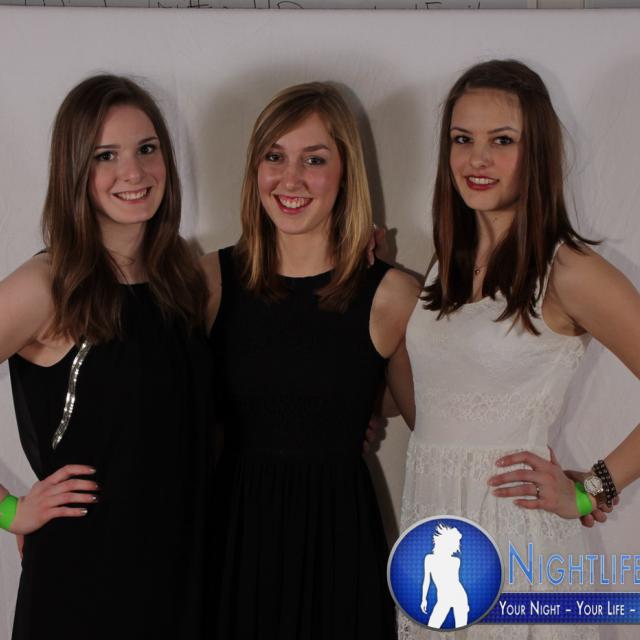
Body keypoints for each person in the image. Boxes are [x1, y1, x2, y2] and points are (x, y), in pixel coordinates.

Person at [394, 59, 640, 639]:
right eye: (463, 139)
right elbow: (435, 398)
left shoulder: (569, 270)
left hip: (516, 536)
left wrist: (592, 489)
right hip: (434, 527)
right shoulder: (444, 264)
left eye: (502, 141)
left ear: (537, 154)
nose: (476, 159)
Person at [202, 81, 419, 640]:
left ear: (346, 173)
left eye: (314, 160)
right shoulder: (207, 282)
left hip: (338, 546)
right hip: (231, 542)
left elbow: (437, 423)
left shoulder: (394, 295)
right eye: (274, 156)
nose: (290, 179)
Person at [0, 75, 213, 639]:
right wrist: (9, 511)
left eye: (147, 149)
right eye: (106, 156)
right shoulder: (48, 285)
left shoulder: (180, 276)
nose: (134, 172)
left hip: (180, 576)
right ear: (75, 169)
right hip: (84, 587)